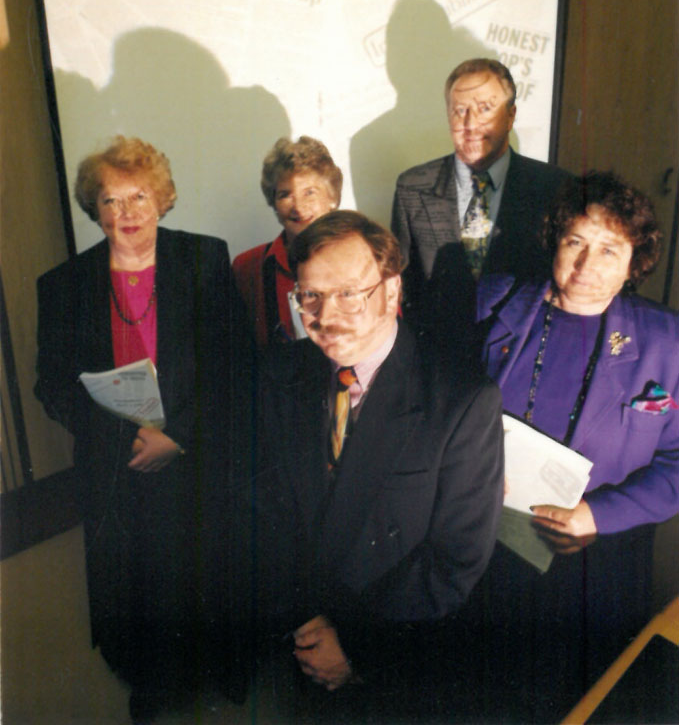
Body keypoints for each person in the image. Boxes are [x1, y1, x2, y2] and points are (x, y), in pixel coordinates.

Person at [34, 137, 252, 724]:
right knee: (137, 578)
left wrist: (176, 435)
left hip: (197, 449)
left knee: (208, 561)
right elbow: (51, 385)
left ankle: (219, 666)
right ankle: (150, 678)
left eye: (138, 196)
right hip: (116, 462)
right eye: (110, 200)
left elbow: (236, 367)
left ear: (162, 199)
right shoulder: (63, 284)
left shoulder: (204, 259)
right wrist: (120, 438)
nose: (126, 213)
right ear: (93, 208)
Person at [255, 210, 504, 721]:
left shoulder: (462, 400)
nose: (328, 315)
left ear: (391, 293)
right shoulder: (281, 372)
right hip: (303, 642)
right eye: (312, 296)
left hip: (394, 661)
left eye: (350, 293)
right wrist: (305, 625)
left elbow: (455, 563)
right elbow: (265, 513)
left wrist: (353, 646)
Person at [473, 170, 679, 723]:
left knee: (575, 700)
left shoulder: (667, 342)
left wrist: (600, 514)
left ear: (636, 261)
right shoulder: (494, 306)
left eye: (610, 250)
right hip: (489, 550)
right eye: (575, 243)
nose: (588, 268)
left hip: (599, 569)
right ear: (555, 243)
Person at [391, 57, 570, 330]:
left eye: (485, 109)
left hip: (520, 354)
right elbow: (401, 286)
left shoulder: (555, 188)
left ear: (510, 116)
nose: (471, 124)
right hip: (439, 358)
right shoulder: (412, 188)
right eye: (459, 110)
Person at [232, 136, 342, 347]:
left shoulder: (366, 255)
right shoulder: (248, 266)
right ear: (273, 203)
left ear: (332, 198)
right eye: (285, 195)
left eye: (310, 192)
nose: (298, 207)